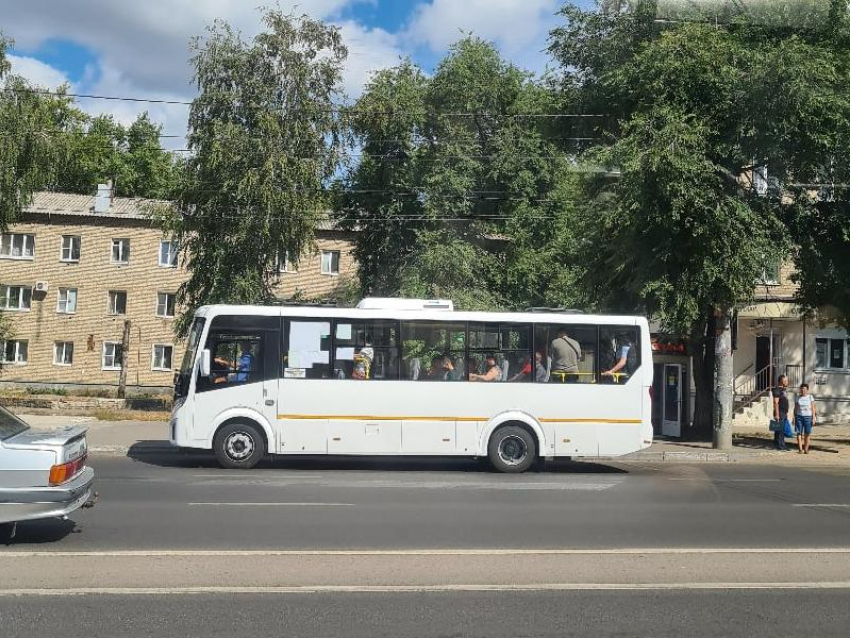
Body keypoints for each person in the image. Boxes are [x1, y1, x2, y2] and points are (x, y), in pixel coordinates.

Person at [794, 383, 817, 454]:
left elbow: (813, 408)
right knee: (799, 433)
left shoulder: (810, 397)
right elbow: (796, 408)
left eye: (804, 389)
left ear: (807, 390)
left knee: (807, 433)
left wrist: (814, 417)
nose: (803, 390)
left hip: (808, 417)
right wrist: (793, 417)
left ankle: (806, 449)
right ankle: (800, 449)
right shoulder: (797, 397)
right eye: (801, 389)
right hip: (799, 417)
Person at [772, 374, 790, 451]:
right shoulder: (777, 390)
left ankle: (777, 443)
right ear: (781, 381)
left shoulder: (783, 390)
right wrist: (777, 414)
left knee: (778, 428)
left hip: (784, 412)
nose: (787, 382)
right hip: (780, 412)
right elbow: (776, 403)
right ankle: (781, 445)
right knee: (780, 430)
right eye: (785, 380)